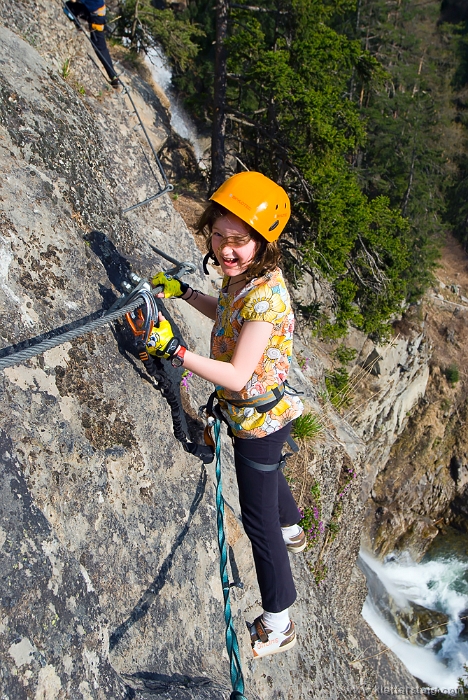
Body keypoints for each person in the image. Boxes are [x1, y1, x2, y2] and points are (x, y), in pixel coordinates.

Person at [148, 171, 305, 659]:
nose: (225, 249)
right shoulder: (247, 279)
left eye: (239, 241)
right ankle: (293, 527)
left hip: (256, 421)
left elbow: (237, 375)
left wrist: (174, 351)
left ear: (262, 242)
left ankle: (279, 621)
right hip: (262, 416)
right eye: (218, 235)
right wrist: (185, 293)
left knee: (257, 524)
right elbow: (229, 317)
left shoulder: (266, 295)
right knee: (271, 483)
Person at [63, 0, 119, 87]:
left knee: (100, 47)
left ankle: (113, 76)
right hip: (97, 12)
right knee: (70, 6)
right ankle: (113, 76)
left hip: (96, 18)